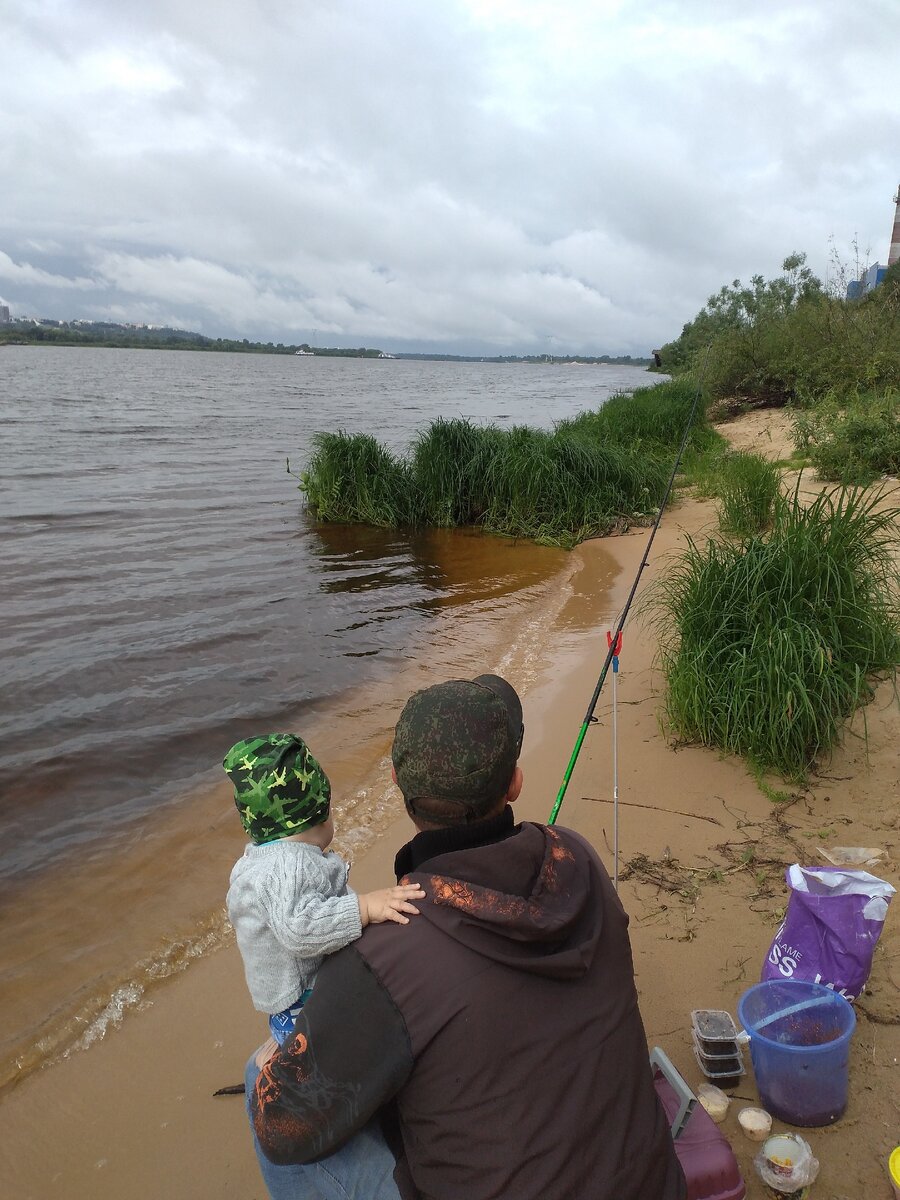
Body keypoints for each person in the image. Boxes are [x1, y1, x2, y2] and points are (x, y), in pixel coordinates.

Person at [245, 678, 686, 1200]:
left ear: (396, 783)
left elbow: (283, 1130)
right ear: (515, 783)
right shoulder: (578, 856)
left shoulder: (385, 955)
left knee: (260, 1079)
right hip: (652, 1186)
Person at [224, 732, 424, 1046]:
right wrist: (366, 908)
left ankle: (280, 1048)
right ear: (317, 815)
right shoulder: (288, 867)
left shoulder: (259, 860)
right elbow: (299, 930)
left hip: (289, 1003)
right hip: (308, 1004)